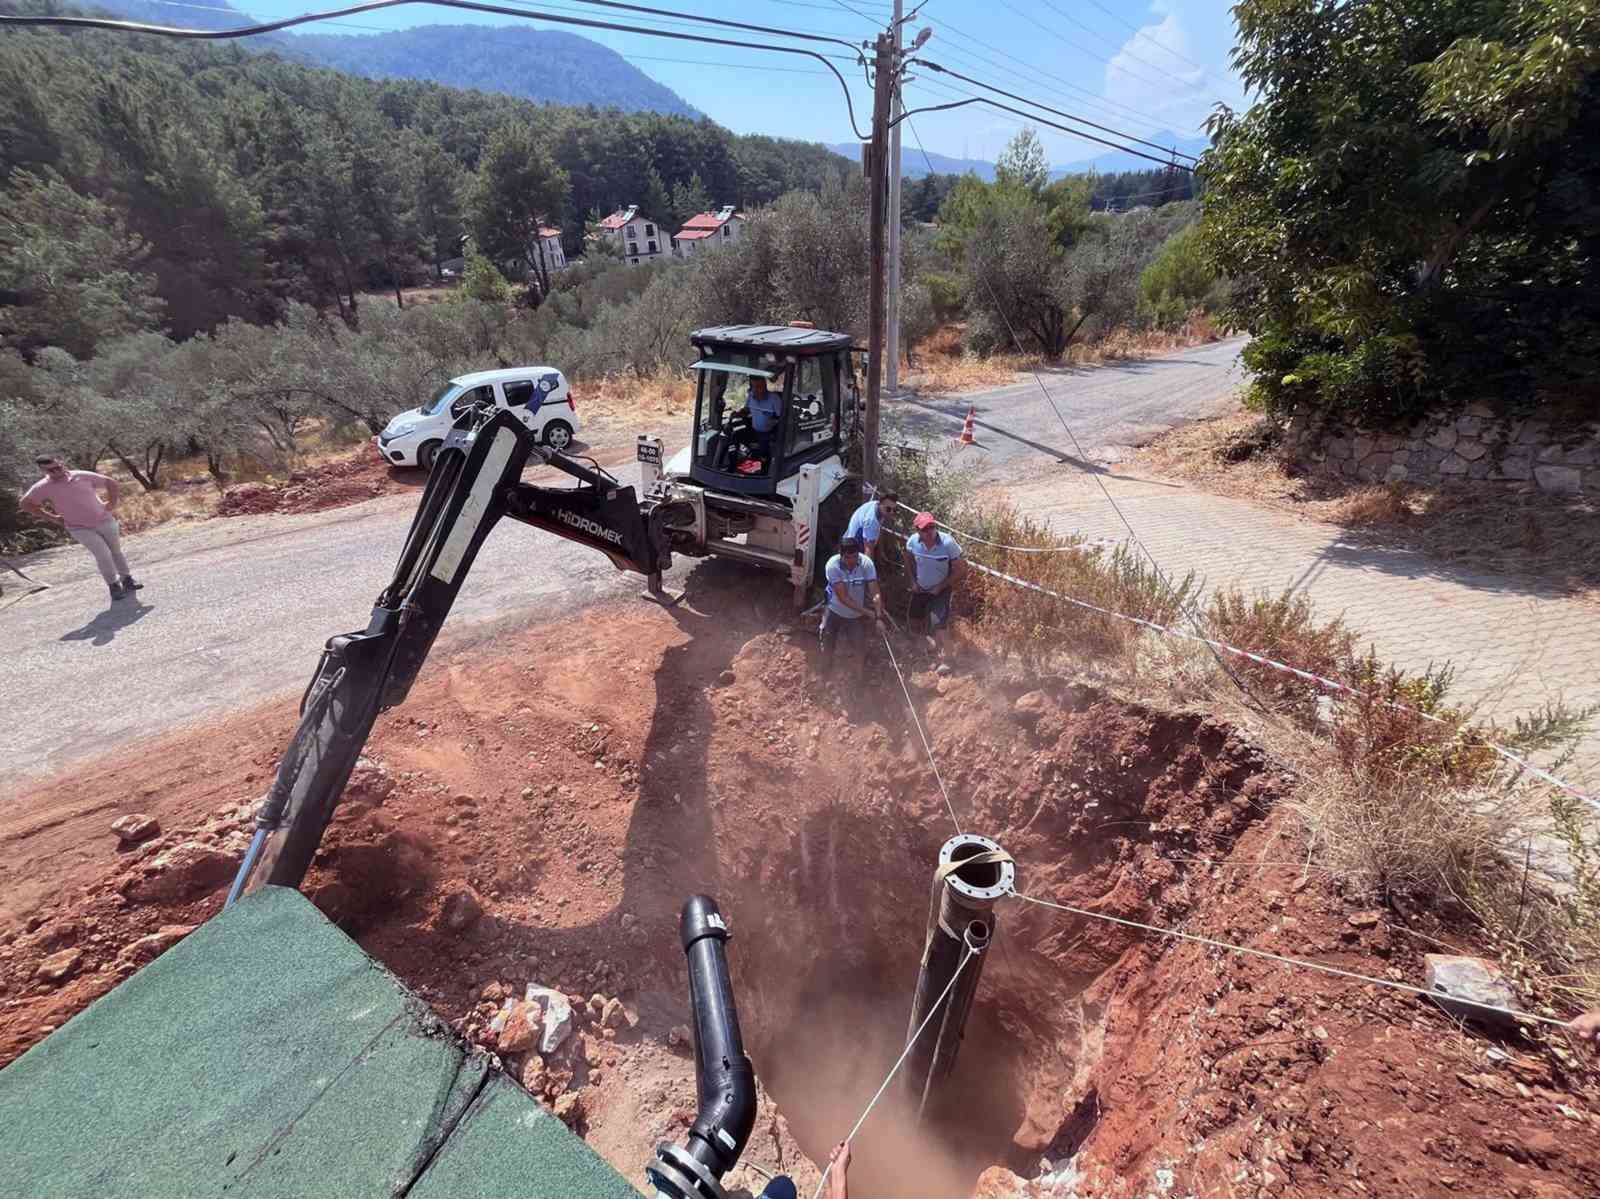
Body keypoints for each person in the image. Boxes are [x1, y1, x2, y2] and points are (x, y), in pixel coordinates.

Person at [20, 454, 143, 603]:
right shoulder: (42, 487)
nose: (57, 471)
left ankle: (127, 580)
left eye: (58, 467)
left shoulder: (81, 476)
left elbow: (111, 483)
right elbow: (25, 504)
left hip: (104, 520)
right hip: (78, 527)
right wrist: (52, 517)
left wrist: (111, 504)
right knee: (103, 554)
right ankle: (113, 586)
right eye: (51, 470)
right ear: (43, 471)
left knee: (115, 550)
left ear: (62, 463)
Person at [903, 512, 965, 656]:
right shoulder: (912, 542)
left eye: (932, 527)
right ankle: (928, 647)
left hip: (941, 590)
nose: (929, 531)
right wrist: (912, 581)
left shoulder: (948, 543)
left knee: (939, 624)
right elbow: (907, 558)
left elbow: (962, 569)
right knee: (913, 620)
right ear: (917, 530)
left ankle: (949, 659)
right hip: (920, 588)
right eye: (925, 529)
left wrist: (941, 586)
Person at [818, 536, 882, 677]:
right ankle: (824, 674)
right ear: (841, 555)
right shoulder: (832, 566)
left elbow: (875, 592)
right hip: (834, 610)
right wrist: (868, 613)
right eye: (848, 557)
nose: (852, 561)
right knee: (828, 642)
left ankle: (858, 680)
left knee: (859, 647)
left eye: (855, 556)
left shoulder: (866, 564)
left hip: (855, 615)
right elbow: (844, 598)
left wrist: (878, 616)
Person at [844, 490, 898, 562]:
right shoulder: (871, 521)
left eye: (894, 510)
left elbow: (879, 528)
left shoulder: (878, 507)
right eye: (888, 509)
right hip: (854, 544)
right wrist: (870, 570)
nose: (891, 512)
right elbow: (868, 549)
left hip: (857, 533)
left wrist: (881, 551)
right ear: (880, 504)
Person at [748, 374, 784, 459]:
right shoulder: (751, 396)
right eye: (753, 387)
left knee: (764, 457)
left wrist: (773, 422)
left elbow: (782, 418)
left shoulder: (774, 399)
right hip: (754, 432)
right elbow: (746, 409)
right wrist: (738, 413)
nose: (755, 390)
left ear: (764, 385)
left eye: (758, 387)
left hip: (769, 435)